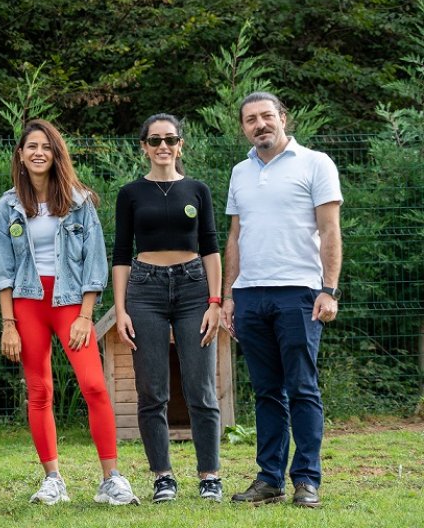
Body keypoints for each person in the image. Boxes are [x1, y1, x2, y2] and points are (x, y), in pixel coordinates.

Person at [0, 119, 139, 506]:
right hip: (27, 302)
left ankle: (112, 479)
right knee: (39, 390)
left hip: (71, 303)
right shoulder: (7, 206)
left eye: (46, 147)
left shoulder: (79, 201)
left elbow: (95, 262)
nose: (39, 153)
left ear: (56, 155)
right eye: (31, 146)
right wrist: (8, 324)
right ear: (20, 155)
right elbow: (0, 269)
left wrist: (85, 316)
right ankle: (52, 479)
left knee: (93, 385)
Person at [223, 91, 342, 508]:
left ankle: (306, 480)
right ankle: (269, 479)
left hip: (300, 292)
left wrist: (329, 289)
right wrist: (228, 296)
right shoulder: (240, 172)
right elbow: (235, 236)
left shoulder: (316, 163)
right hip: (250, 295)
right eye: (251, 119)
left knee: (302, 387)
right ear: (244, 128)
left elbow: (330, 230)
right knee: (266, 392)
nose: (260, 124)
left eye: (266, 116)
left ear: (282, 118)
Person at [111, 114, 224, 503]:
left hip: (194, 288)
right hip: (145, 290)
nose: (163, 146)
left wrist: (215, 301)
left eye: (170, 139)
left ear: (180, 145)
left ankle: (209, 475)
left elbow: (211, 247)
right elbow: (121, 253)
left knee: (201, 388)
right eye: (155, 140)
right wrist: (121, 309)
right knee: (152, 391)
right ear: (144, 146)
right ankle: (163, 477)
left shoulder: (197, 190)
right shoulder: (130, 193)